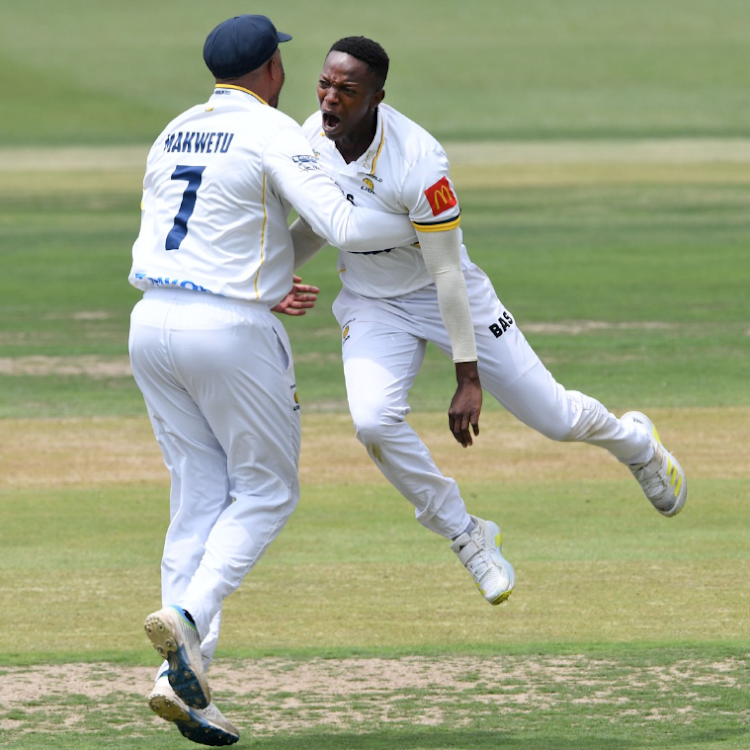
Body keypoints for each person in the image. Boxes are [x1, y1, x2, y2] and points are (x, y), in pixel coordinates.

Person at [290, 37, 687, 611]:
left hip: (446, 294)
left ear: (377, 97)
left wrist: (467, 375)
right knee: (374, 423)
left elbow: (447, 271)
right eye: (325, 85)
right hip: (372, 303)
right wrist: (268, 280)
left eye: (346, 91)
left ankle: (637, 445)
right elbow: (314, 224)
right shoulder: (311, 139)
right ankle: (467, 534)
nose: (330, 100)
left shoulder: (419, 162)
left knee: (553, 416)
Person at [128, 17, 417, 746]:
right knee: (266, 491)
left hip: (151, 321)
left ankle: (180, 680)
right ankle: (188, 622)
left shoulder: (174, 130)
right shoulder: (272, 130)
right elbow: (344, 226)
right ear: (272, 71)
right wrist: (426, 216)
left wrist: (267, 276)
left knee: (198, 492)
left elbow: (212, 230)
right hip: (227, 332)